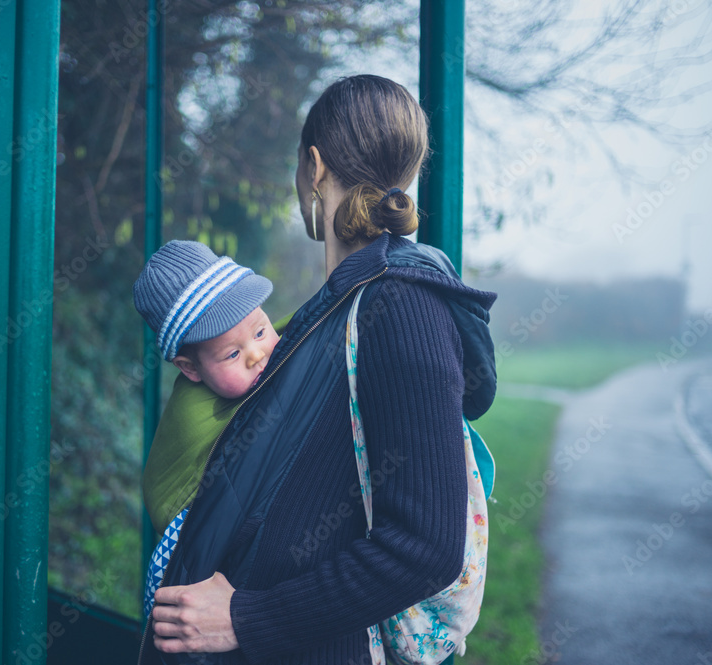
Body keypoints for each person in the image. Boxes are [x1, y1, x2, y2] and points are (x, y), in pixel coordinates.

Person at [141, 74, 498, 665]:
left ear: (313, 167)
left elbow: (425, 549)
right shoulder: (342, 305)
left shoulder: (400, 307)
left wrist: (246, 617)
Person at [133, 239, 283, 616]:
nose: (256, 354)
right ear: (191, 368)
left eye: (261, 331)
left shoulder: (266, 354)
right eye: (232, 354)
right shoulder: (192, 415)